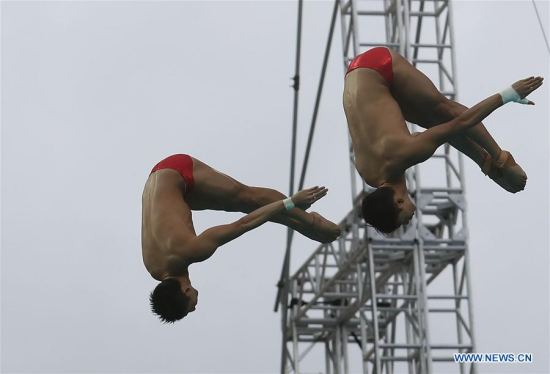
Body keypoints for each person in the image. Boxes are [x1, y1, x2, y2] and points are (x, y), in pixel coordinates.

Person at [343, 47, 543, 233]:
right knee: (431, 122)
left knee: (442, 109)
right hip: (356, 80)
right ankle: (488, 164)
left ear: (398, 202)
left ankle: (500, 158)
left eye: (404, 221)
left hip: (377, 64)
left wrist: (509, 94)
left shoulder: (406, 153)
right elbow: (439, 134)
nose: (409, 221)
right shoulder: (370, 174)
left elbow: (462, 121)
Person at [142, 154, 341, 323]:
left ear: (185, 292)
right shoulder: (154, 268)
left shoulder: (191, 251)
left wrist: (291, 202)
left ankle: (310, 220)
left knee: (246, 197)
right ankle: (299, 220)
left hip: (177, 170)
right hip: (160, 183)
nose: (194, 309)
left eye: (190, 309)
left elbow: (243, 224)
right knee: (245, 205)